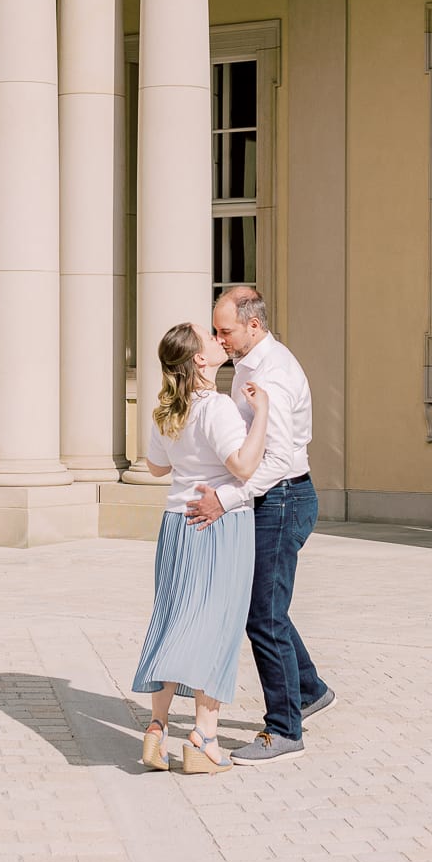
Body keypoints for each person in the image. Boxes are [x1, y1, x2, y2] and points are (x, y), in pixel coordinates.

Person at [186, 285, 335, 764]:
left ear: (254, 325)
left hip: (283, 499)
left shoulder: (274, 375)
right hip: (273, 499)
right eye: (215, 330)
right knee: (267, 609)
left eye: (224, 330)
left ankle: (284, 729)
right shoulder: (247, 363)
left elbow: (276, 460)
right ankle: (307, 690)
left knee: (263, 617)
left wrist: (225, 500)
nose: (218, 338)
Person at [131, 321, 270, 774]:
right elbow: (244, 466)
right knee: (218, 628)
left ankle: (157, 727)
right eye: (209, 338)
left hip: (175, 523)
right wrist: (262, 413)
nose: (217, 340)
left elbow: (155, 467)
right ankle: (204, 737)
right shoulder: (218, 409)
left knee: (172, 620)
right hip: (220, 525)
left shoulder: (167, 410)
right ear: (200, 360)